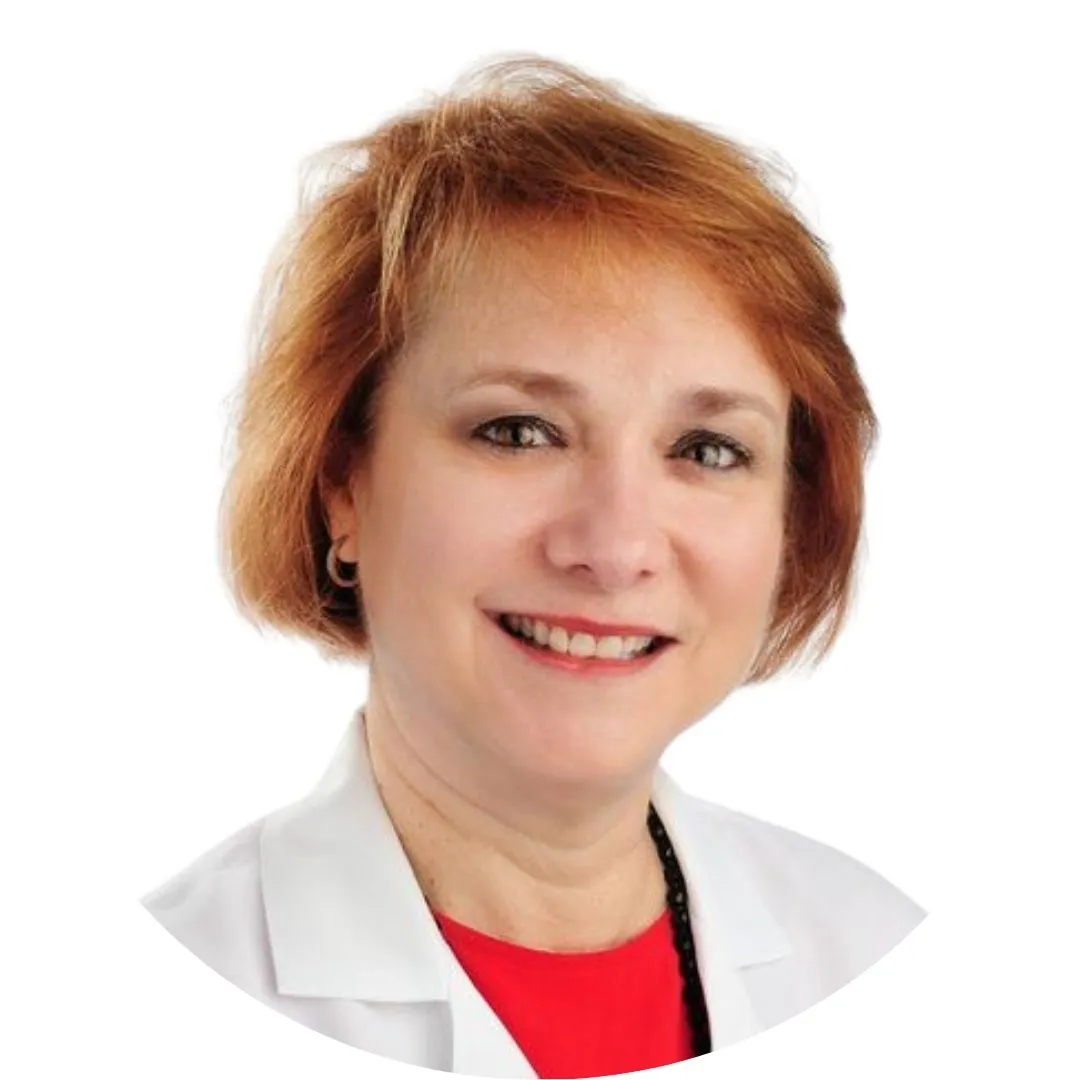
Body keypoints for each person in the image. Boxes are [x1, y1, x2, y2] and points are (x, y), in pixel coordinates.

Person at [141, 53, 926, 1078]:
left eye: (707, 450)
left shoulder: (879, 957)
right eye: (518, 431)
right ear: (343, 486)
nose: (615, 549)